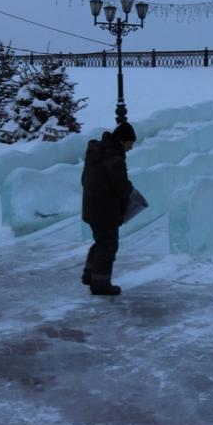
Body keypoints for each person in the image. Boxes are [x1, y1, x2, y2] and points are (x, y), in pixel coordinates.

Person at [81, 121, 136, 296]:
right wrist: (130, 195)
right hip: (106, 209)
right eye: (130, 143)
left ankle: (90, 274)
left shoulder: (96, 154)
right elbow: (121, 186)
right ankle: (100, 284)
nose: (131, 148)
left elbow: (84, 180)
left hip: (91, 206)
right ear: (123, 140)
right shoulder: (114, 158)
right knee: (108, 246)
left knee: (101, 241)